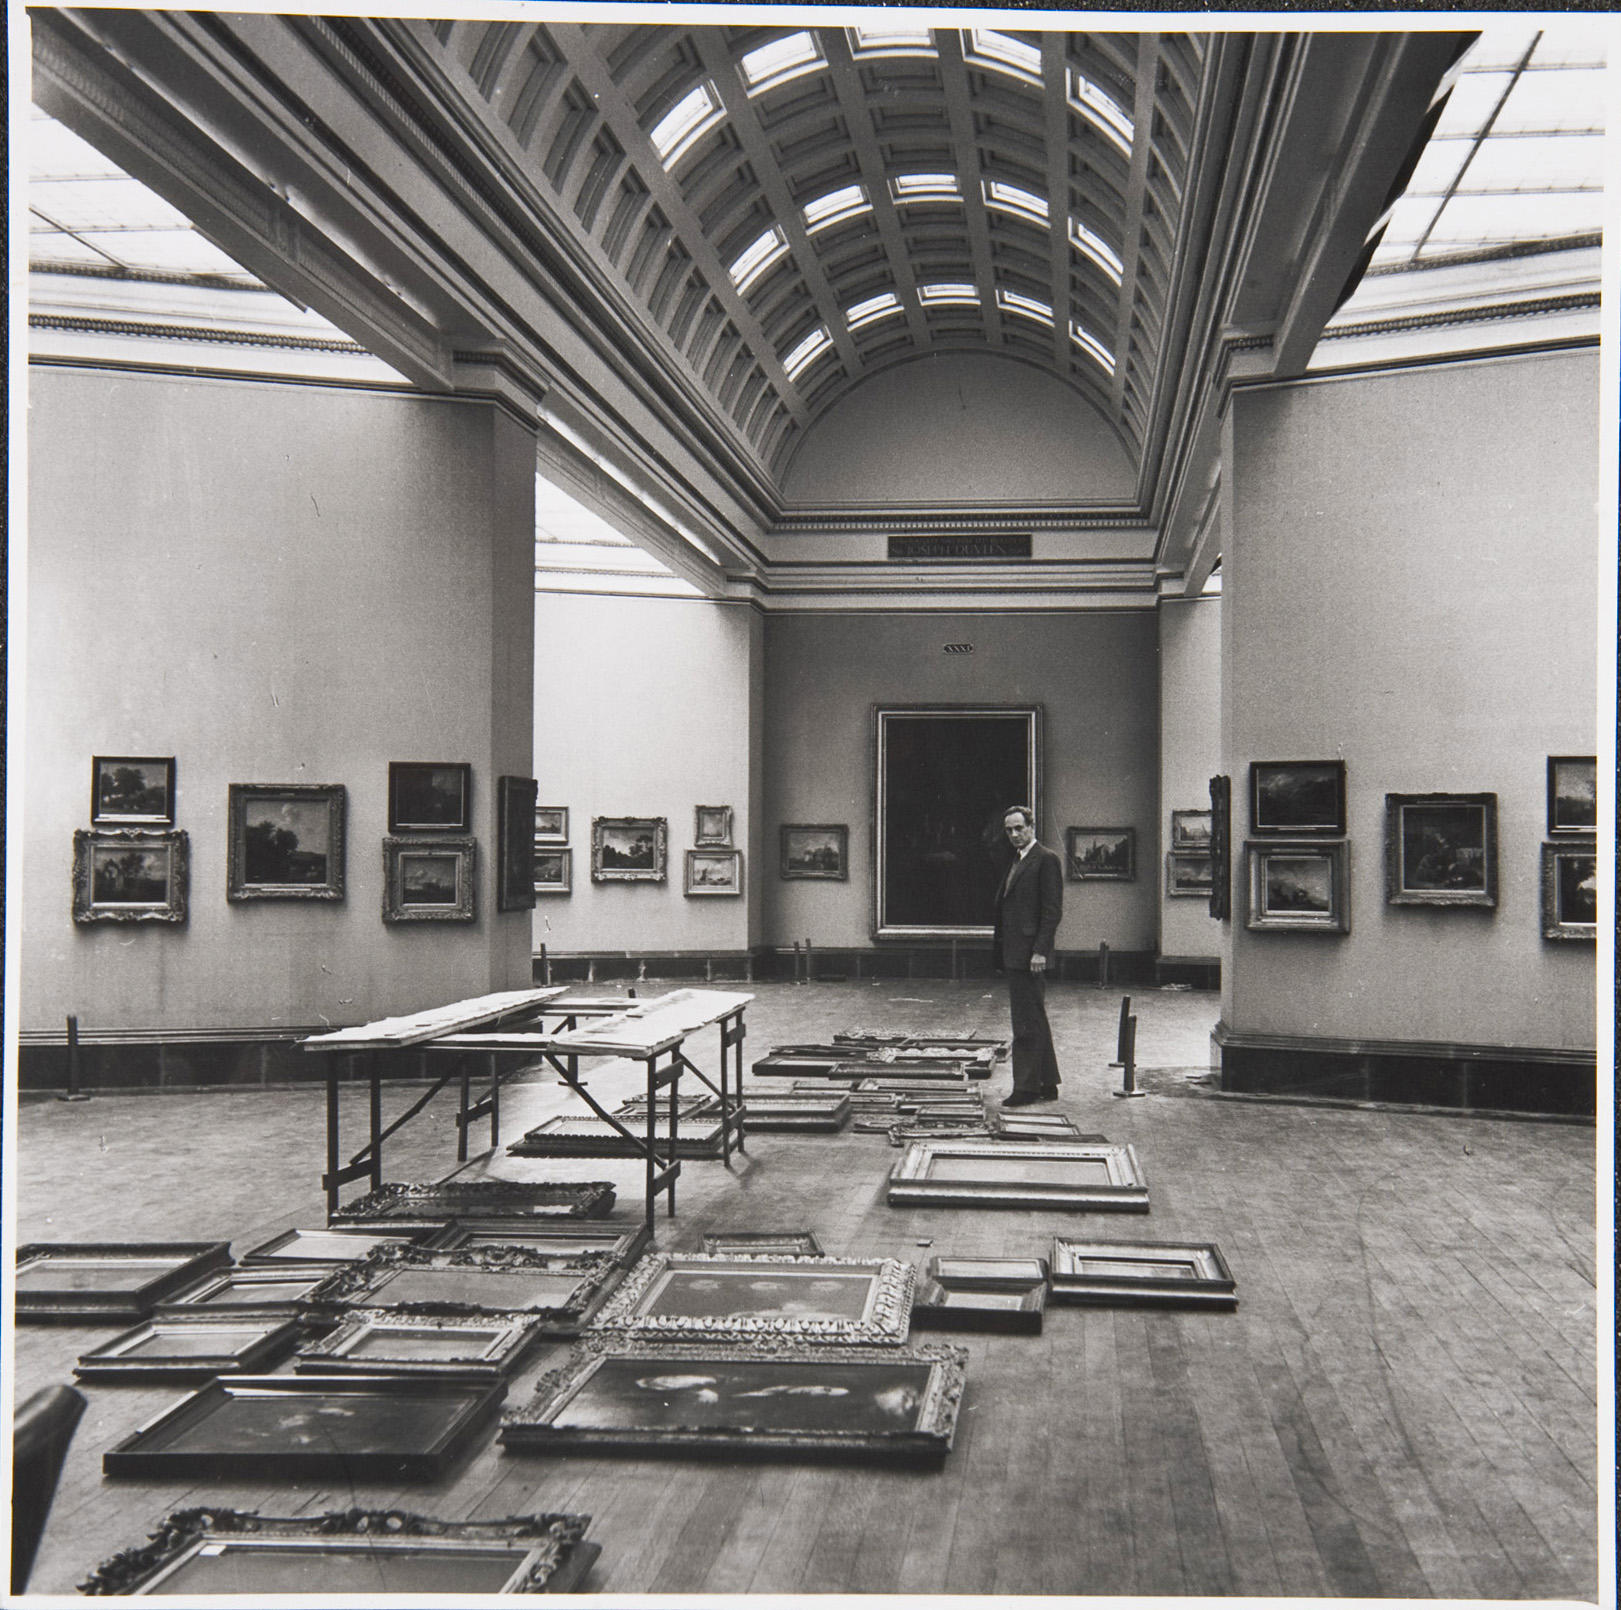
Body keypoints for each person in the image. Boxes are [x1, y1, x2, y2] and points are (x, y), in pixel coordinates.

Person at [991, 806, 1063, 1106]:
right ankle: (1047, 1083)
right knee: (1034, 1018)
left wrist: (1039, 951)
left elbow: (1052, 911)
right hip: (1015, 952)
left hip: (1029, 954)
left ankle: (1026, 1088)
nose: (1014, 834)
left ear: (1032, 827)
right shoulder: (1018, 859)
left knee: (1025, 1023)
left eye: (1019, 828)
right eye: (1009, 830)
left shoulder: (1046, 859)